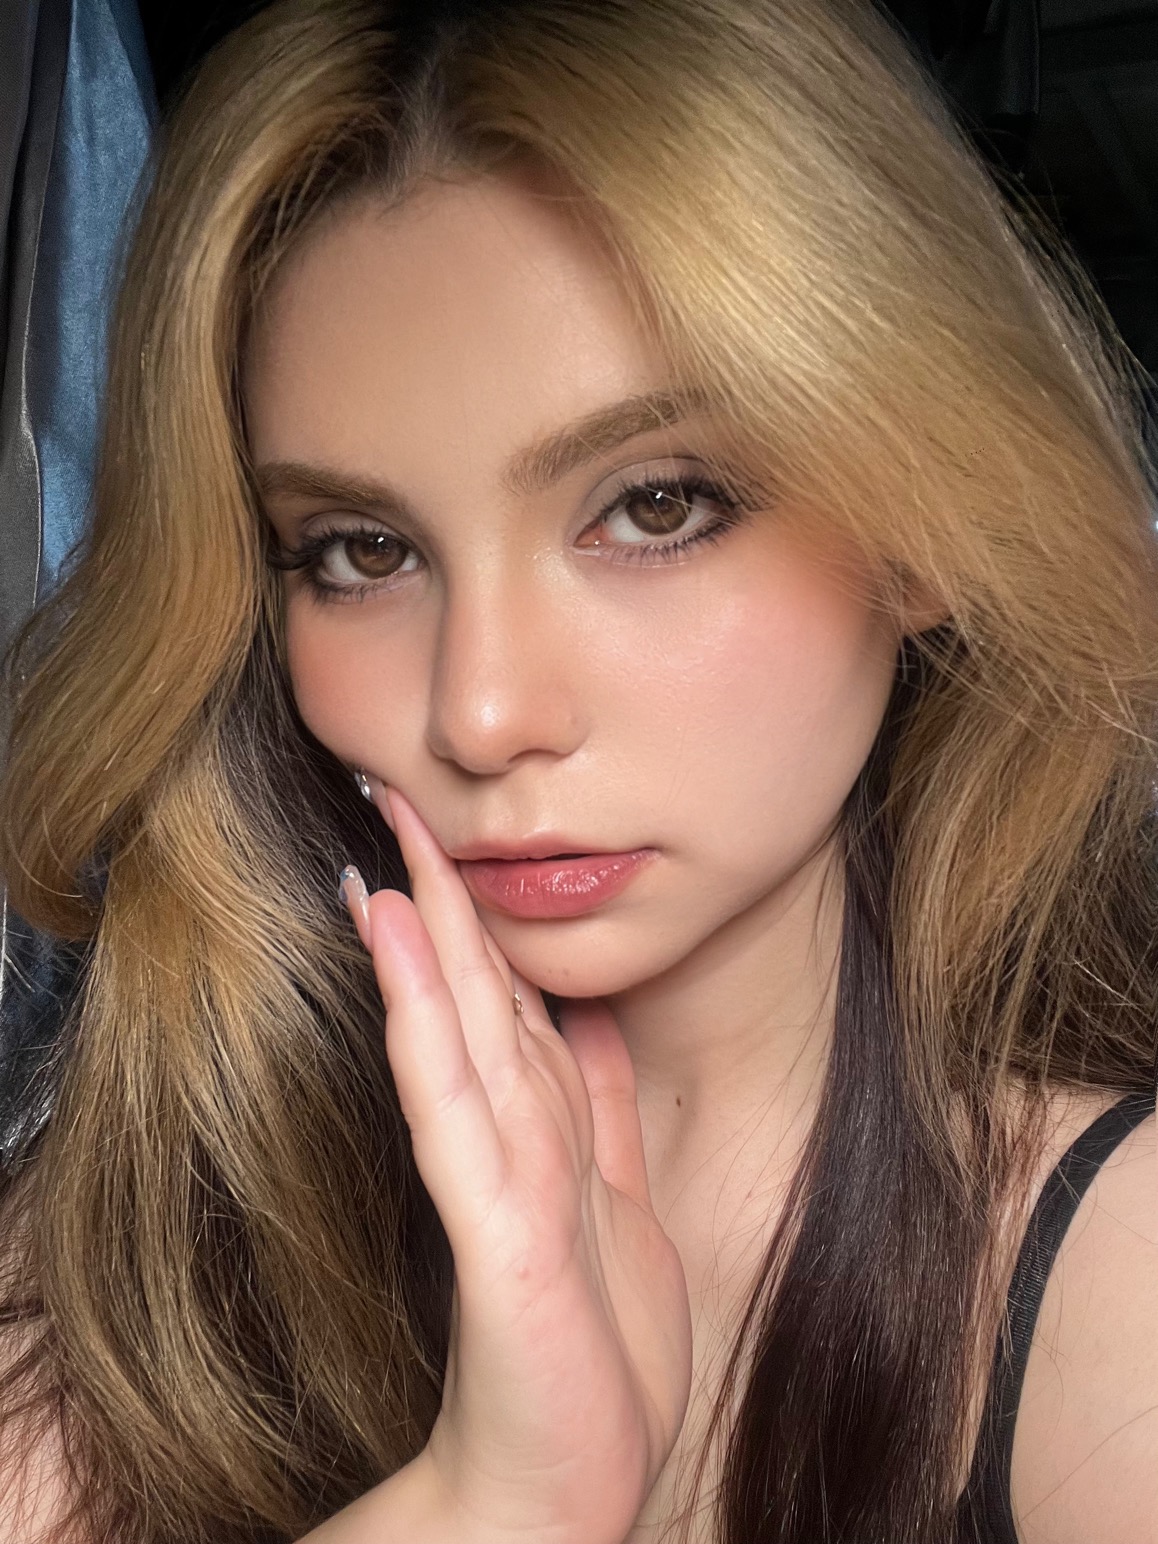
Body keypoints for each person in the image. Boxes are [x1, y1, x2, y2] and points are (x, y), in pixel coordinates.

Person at [0, 1, 1154, 1541]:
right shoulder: (142, 1237)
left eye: (656, 506)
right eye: (360, 551)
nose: (480, 714)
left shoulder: (1117, 1283)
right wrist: (495, 1504)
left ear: (925, 521)